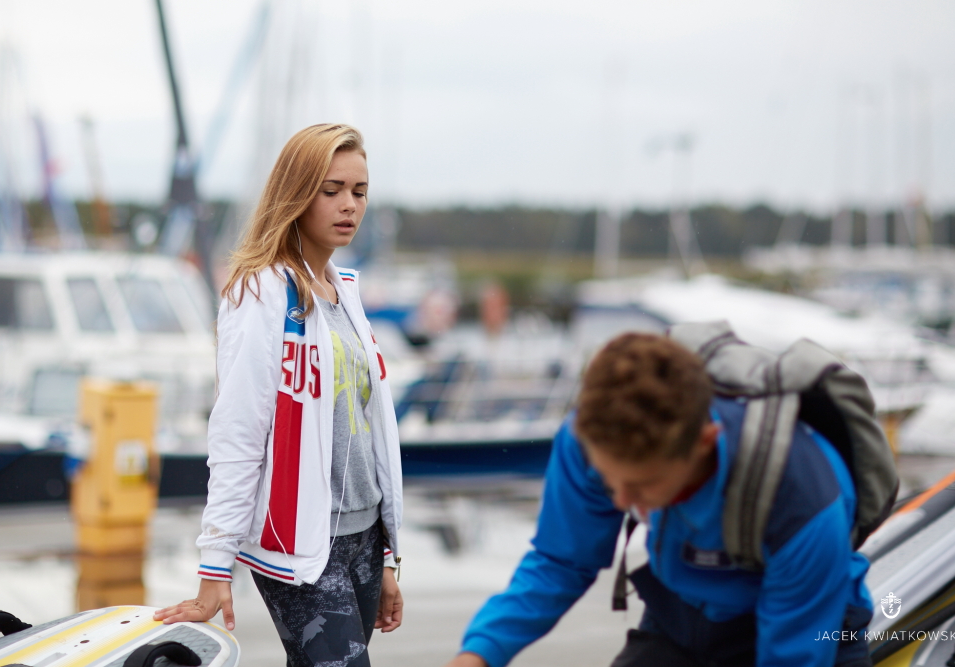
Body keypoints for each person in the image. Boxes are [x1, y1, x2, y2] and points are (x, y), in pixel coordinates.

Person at [444, 333, 874, 667]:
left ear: (704, 443)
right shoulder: (590, 436)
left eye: (643, 485)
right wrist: (479, 653)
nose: (623, 501)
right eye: (610, 482)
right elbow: (562, 561)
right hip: (681, 616)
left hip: (812, 626)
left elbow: (792, 656)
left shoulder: (802, 499)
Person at [155, 124, 404, 667]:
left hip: (365, 536)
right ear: (297, 193)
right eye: (331, 190)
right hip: (299, 542)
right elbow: (238, 430)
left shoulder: (346, 292)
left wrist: (389, 555)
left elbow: (369, 433)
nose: (349, 205)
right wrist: (215, 564)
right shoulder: (260, 293)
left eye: (359, 191)